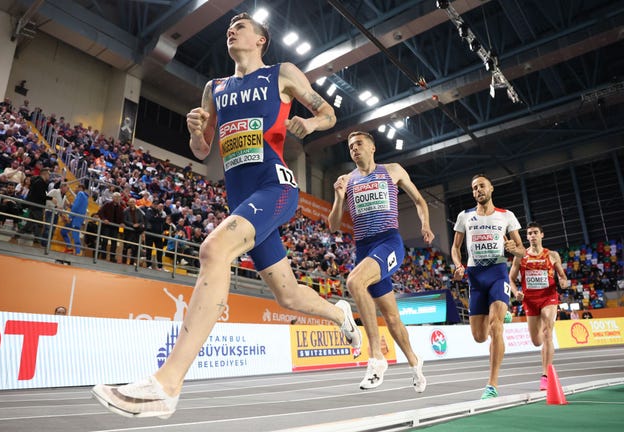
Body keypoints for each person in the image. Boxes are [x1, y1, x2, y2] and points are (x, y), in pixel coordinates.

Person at [92, 12, 360, 419]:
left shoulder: (281, 74)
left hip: (276, 188)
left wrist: (310, 121)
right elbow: (202, 151)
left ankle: (166, 384)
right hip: (240, 199)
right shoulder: (214, 88)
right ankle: (338, 312)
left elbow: (329, 114)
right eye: (228, 27)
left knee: (214, 250)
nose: (231, 29)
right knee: (286, 295)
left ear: (260, 40)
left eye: (240, 25)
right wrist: (196, 133)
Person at [328, 131, 431, 392]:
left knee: (354, 282)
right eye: (350, 146)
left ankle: (375, 359)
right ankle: (415, 363)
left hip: (388, 242)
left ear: (372, 148)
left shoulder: (393, 170)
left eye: (359, 144)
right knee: (393, 318)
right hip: (364, 248)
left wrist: (425, 225)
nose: (354, 149)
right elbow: (333, 224)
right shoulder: (346, 180)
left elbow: (419, 200)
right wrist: (340, 198)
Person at [451, 174, 525, 399]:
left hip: (497, 274)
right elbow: (456, 248)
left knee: (496, 327)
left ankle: (491, 385)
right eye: (474, 188)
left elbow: (522, 250)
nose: (477, 190)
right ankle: (503, 313)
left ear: (491, 188)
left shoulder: (506, 215)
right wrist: (458, 265)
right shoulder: (464, 216)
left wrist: (513, 248)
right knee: (479, 336)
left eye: (481, 186)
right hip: (475, 278)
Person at [509, 222, 569, 391]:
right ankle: (545, 347)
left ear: (542, 235)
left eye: (535, 232)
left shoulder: (552, 255)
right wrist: (515, 292)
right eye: (529, 233)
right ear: (526, 237)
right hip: (529, 301)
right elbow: (511, 279)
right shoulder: (520, 256)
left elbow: (562, 277)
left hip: (548, 297)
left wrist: (564, 283)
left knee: (548, 333)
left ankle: (545, 375)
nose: (532, 235)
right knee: (537, 341)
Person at [61, 183, 89, 255]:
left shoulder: (80, 194)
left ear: (80, 188)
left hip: (75, 218)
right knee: (63, 231)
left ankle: (78, 252)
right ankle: (70, 248)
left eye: (76, 188)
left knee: (75, 234)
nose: (75, 189)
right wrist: (71, 206)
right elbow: (77, 207)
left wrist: (70, 217)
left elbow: (76, 207)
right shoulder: (84, 197)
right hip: (77, 218)